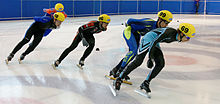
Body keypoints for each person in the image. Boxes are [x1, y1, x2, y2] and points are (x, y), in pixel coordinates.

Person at [113, 23, 196, 93]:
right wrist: (150, 58)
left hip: (155, 42)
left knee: (160, 63)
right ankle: (119, 78)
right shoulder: (169, 32)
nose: (188, 40)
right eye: (188, 37)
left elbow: (156, 42)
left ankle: (146, 83)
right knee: (138, 61)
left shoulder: (176, 37)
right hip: (148, 39)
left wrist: (152, 57)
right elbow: (154, 42)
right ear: (182, 34)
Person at [109, 10, 173, 80]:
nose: (166, 25)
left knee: (133, 54)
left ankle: (115, 69)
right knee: (133, 51)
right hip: (129, 31)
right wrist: (128, 25)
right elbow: (129, 20)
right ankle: (120, 71)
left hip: (137, 34)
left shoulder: (159, 29)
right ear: (160, 19)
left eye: (168, 23)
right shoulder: (148, 23)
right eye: (166, 23)